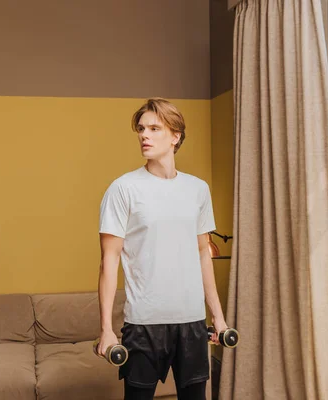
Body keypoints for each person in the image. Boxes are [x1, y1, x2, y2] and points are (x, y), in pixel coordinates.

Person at [97, 98, 229, 400]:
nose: (144, 135)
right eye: (141, 129)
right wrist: (106, 329)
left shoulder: (198, 189)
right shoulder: (123, 189)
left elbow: (202, 255)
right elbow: (109, 260)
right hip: (143, 324)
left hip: (192, 322)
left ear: (175, 136)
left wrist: (218, 318)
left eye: (155, 128)